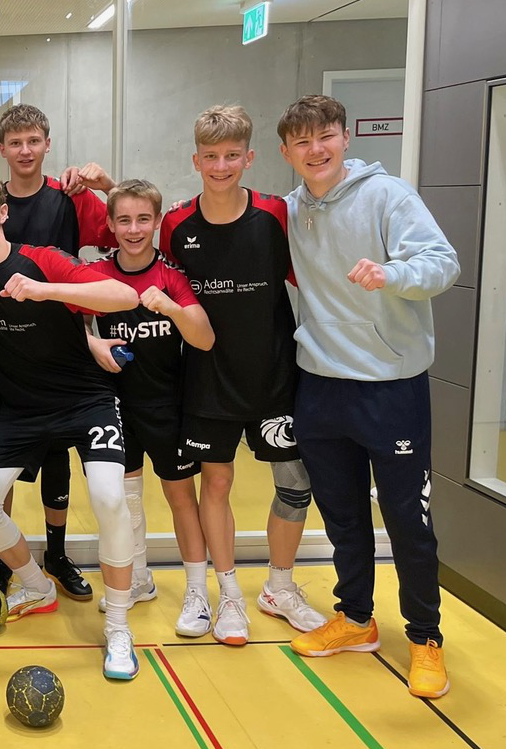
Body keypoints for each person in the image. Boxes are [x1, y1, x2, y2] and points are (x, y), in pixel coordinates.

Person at [0, 170, 142, 679]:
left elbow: (124, 296)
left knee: (109, 498)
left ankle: (119, 627)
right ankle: (36, 586)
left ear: (3, 213)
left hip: (86, 400)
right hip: (21, 409)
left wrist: (45, 290)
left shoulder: (43, 260)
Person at [277, 94, 459, 698]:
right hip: (321, 386)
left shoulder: (388, 196)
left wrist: (392, 274)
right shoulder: (291, 209)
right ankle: (356, 618)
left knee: (407, 519)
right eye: (302, 142)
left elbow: (443, 263)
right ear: (286, 152)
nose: (316, 150)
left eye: (325, 136)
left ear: (345, 137)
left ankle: (425, 638)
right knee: (343, 517)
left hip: (391, 387)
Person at [0, 105, 118, 601]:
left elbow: (124, 231)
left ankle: (56, 554)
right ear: (2, 150)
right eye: (15, 143)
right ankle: (3, 562)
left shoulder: (69, 197)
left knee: (59, 459)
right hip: (5, 354)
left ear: (47, 144)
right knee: (1, 463)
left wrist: (105, 184)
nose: (25, 150)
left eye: (33, 141)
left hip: (63, 345)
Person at [158, 104, 325, 645]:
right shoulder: (176, 225)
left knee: (294, 485)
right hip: (208, 381)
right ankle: (228, 594)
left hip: (275, 378)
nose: (221, 166)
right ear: (196, 160)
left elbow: (312, 279)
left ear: (249, 158)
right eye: (211, 157)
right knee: (217, 482)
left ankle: (280, 587)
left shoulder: (276, 214)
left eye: (232, 155)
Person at [86, 179, 217, 636]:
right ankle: (138, 578)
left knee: (180, 496)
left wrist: (173, 310)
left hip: (166, 405)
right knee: (125, 498)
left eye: (143, 219)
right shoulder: (97, 273)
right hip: (114, 405)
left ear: (158, 221)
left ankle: (198, 593)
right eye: (124, 220)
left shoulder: (171, 275)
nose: (134, 229)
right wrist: (92, 342)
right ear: (110, 223)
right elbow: (66, 323)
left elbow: (205, 338)